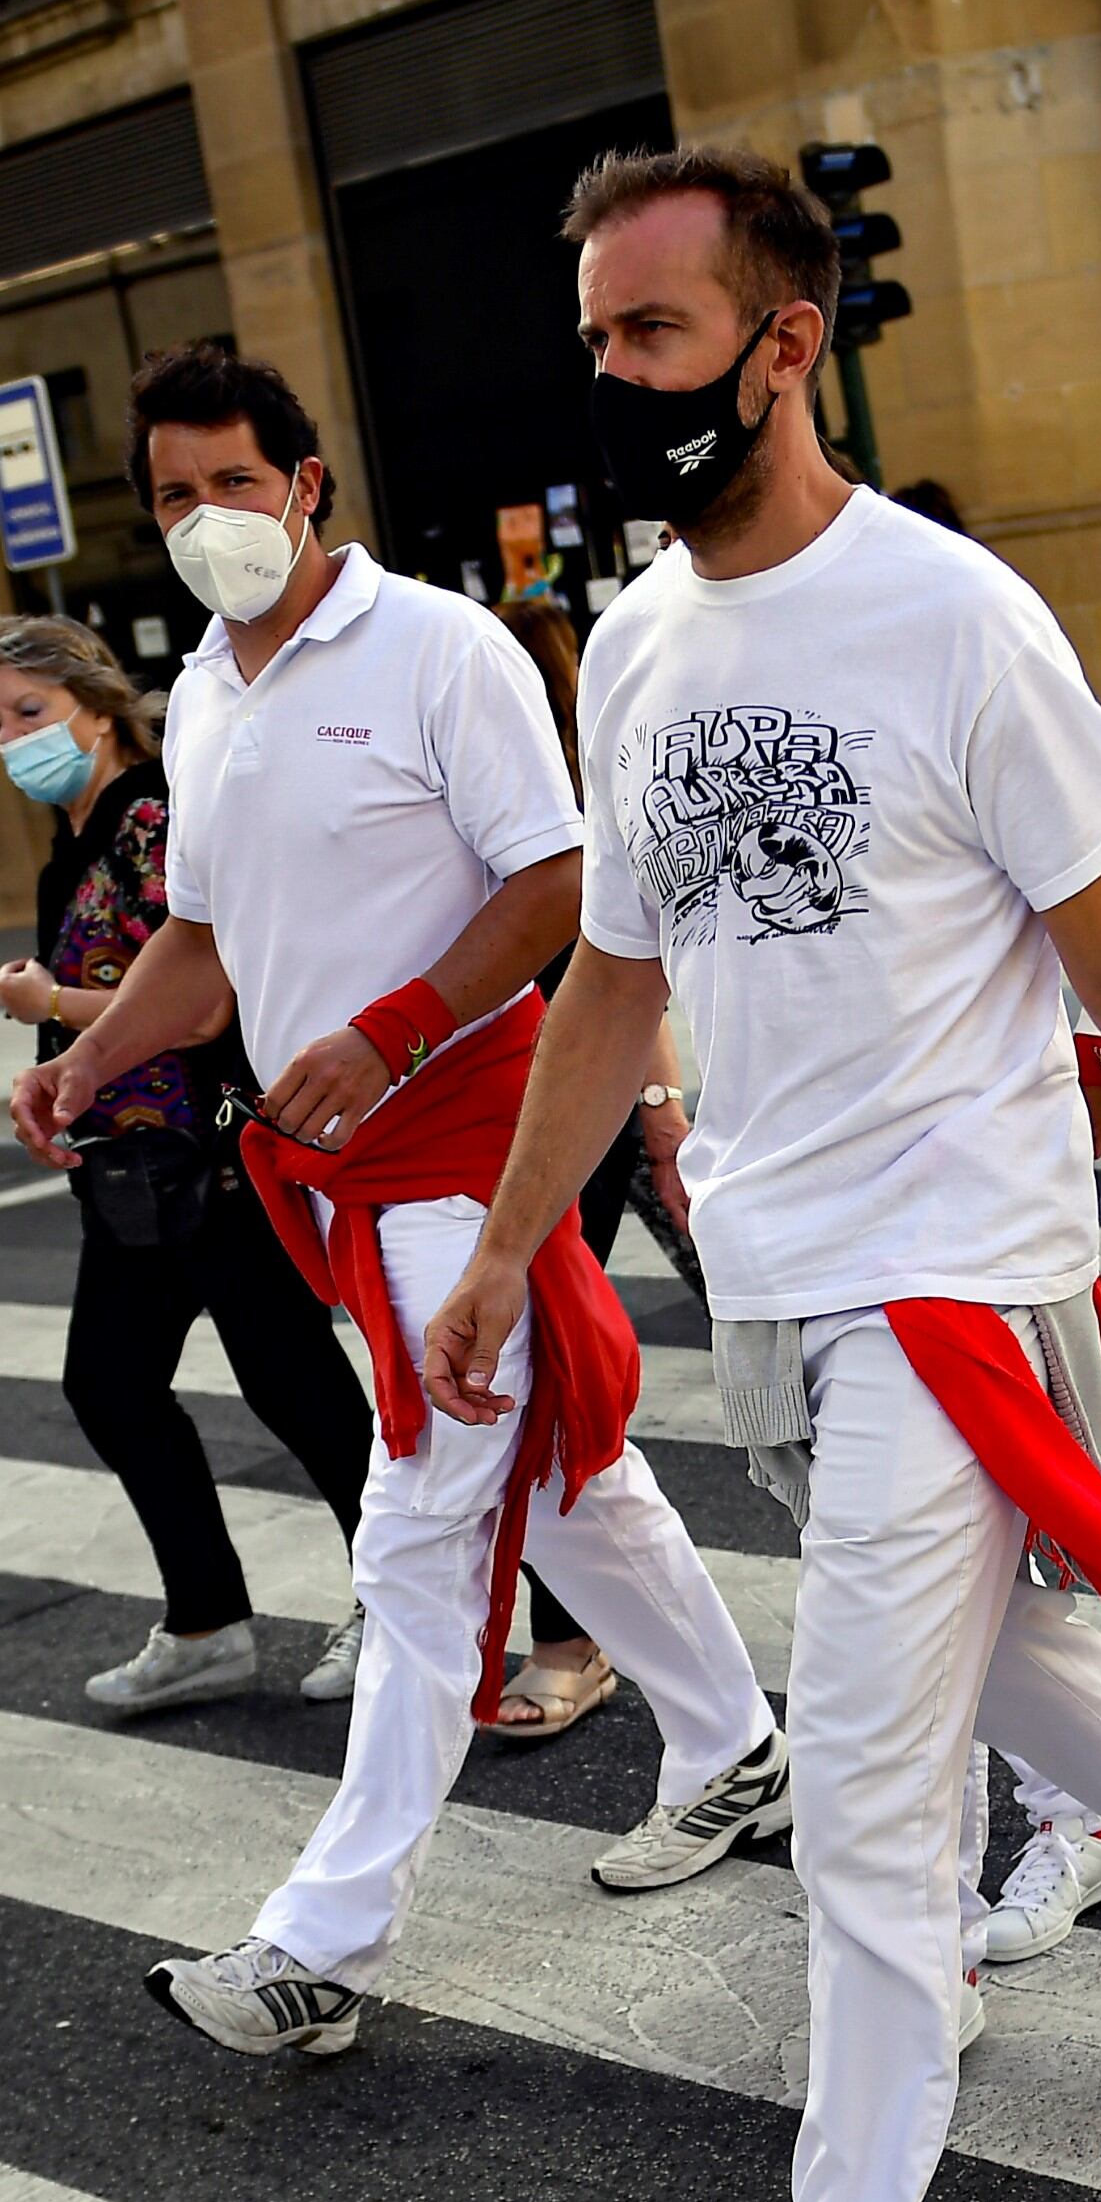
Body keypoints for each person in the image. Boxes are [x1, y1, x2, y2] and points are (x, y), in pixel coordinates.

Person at [428, 148, 1101, 2202]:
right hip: (780, 1277)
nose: (608, 376)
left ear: (780, 343)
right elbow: (612, 977)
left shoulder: (949, 620)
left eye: (649, 333)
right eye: (593, 335)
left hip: (950, 1280)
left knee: (860, 1790)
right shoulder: (630, 643)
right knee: (1001, 1659)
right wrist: (491, 1245)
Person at [14, 341, 786, 2059]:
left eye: (231, 480)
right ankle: (736, 1747)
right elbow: (199, 950)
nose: (204, 518)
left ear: (306, 486)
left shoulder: (438, 647)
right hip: (338, 1183)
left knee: (423, 1526)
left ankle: (321, 1946)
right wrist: (90, 1064)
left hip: (474, 1152)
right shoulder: (208, 692)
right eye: (168, 495)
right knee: (574, 1484)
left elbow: (562, 881)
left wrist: (393, 1029)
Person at [0, 607, 378, 1717]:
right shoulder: (76, 847)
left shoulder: (151, 819)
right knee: (110, 1384)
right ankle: (205, 1622)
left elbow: (207, 997)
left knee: (299, 1392)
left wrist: (52, 1005)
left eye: (32, 712)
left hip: (217, 1158)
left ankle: (393, 1609)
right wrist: (54, 1072)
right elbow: (94, 1020)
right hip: (130, 1177)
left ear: (98, 711)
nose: (13, 738)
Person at [491, 582, 706, 1748]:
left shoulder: (577, 795)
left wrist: (665, 1110)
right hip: (547, 1111)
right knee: (548, 1358)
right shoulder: (489, 792)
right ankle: (572, 1635)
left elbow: (631, 962)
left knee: (768, 1314)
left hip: (600, 1106)